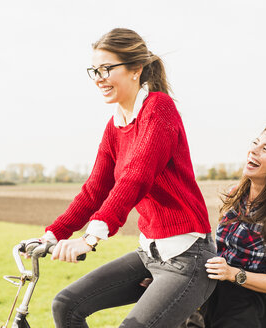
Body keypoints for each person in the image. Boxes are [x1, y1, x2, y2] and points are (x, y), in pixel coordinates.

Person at [28, 28, 216, 328]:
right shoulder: (115, 125)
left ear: (135, 69)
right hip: (150, 253)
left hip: (187, 258)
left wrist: (91, 239)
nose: (99, 78)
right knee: (66, 305)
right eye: (94, 71)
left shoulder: (159, 109)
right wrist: (52, 234)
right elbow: (94, 190)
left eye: (106, 69)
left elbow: (135, 178)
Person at [203, 126, 266, 328]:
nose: (254, 150)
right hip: (217, 295)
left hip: (255, 308)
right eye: (255, 143)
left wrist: (233, 274)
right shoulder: (236, 195)